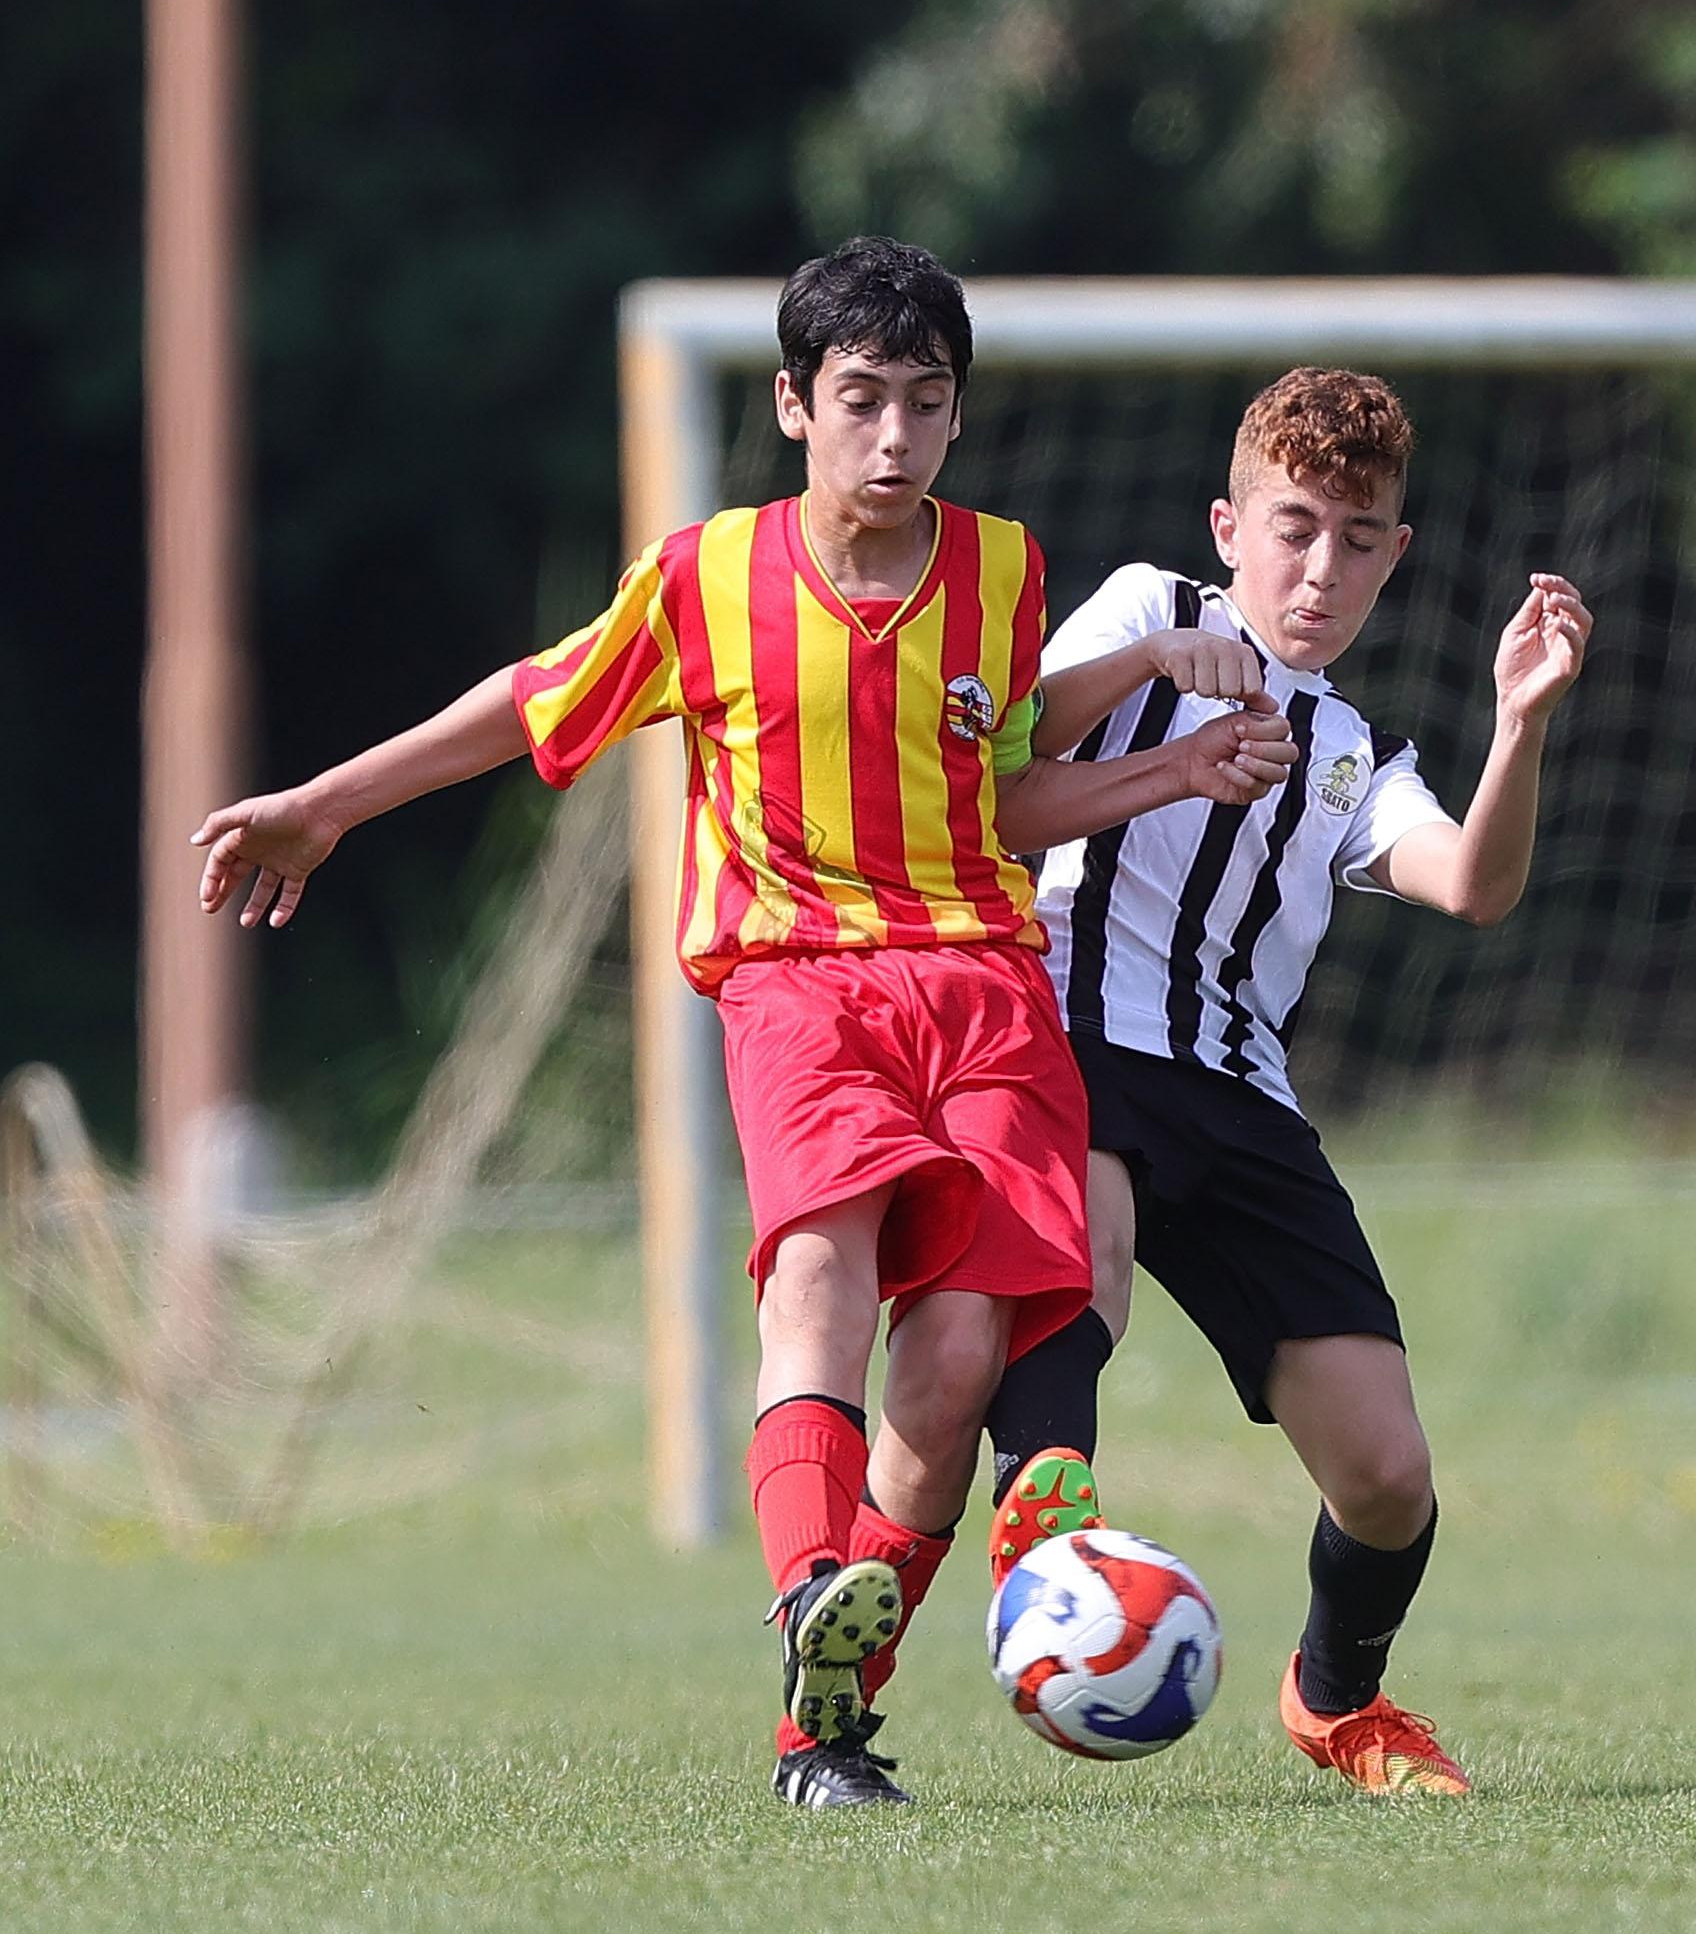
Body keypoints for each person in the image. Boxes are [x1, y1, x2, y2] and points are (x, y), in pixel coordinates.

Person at [191, 237, 1296, 1810]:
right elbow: (530, 699)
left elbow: (1000, 789)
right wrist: (326, 803)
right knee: (823, 1279)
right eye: (862, 400)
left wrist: (1173, 768)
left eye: (927, 403)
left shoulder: (1004, 573)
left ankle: (828, 1712)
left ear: (958, 417)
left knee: (961, 1356)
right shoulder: (707, 577)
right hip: (798, 986)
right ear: (792, 405)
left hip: (985, 980)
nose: (896, 436)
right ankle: (805, 1597)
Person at [974, 366, 1592, 1796]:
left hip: (1241, 1102)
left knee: (1386, 1474)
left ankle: (1335, 1699)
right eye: (1295, 526)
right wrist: (1151, 678)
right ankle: (1051, 1541)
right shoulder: (1147, 610)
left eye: (1358, 539)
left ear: (1397, 555)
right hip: (1072, 1038)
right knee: (1091, 1244)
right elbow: (1006, 749)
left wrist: (1521, 725)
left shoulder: (1353, 754)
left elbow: (1473, 884)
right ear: (1230, 525)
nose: (1321, 569)